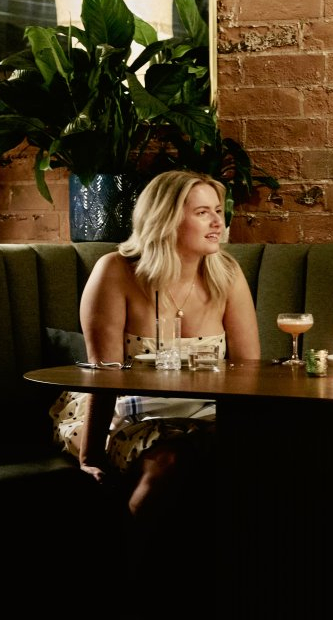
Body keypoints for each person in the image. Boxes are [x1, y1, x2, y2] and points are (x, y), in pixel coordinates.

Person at [50, 170, 260, 518]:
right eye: (202, 212)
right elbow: (104, 378)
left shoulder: (227, 274)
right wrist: (90, 458)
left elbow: (249, 374)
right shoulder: (115, 271)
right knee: (171, 461)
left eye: (217, 210)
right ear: (166, 219)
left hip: (207, 416)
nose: (217, 223)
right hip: (132, 415)